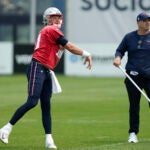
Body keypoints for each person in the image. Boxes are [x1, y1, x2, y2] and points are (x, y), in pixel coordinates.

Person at [0, 7, 92, 149]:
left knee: (46, 105)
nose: (57, 19)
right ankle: (6, 128)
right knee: (32, 102)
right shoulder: (51, 29)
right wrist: (87, 53)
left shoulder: (51, 33)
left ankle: (49, 140)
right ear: (47, 19)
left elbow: (55, 59)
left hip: (46, 69)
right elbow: (71, 47)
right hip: (38, 67)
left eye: (59, 17)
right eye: (53, 17)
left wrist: (60, 51)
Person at [113, 12, 150, 143]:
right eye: (145, 20)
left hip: (149, 76)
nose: (148, 23)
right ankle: (133, 133)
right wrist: (118, 58)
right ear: (139, 22)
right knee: (134, 105)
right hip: (133, 77)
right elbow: (120, 50)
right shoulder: (129, 37)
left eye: (149, 20)